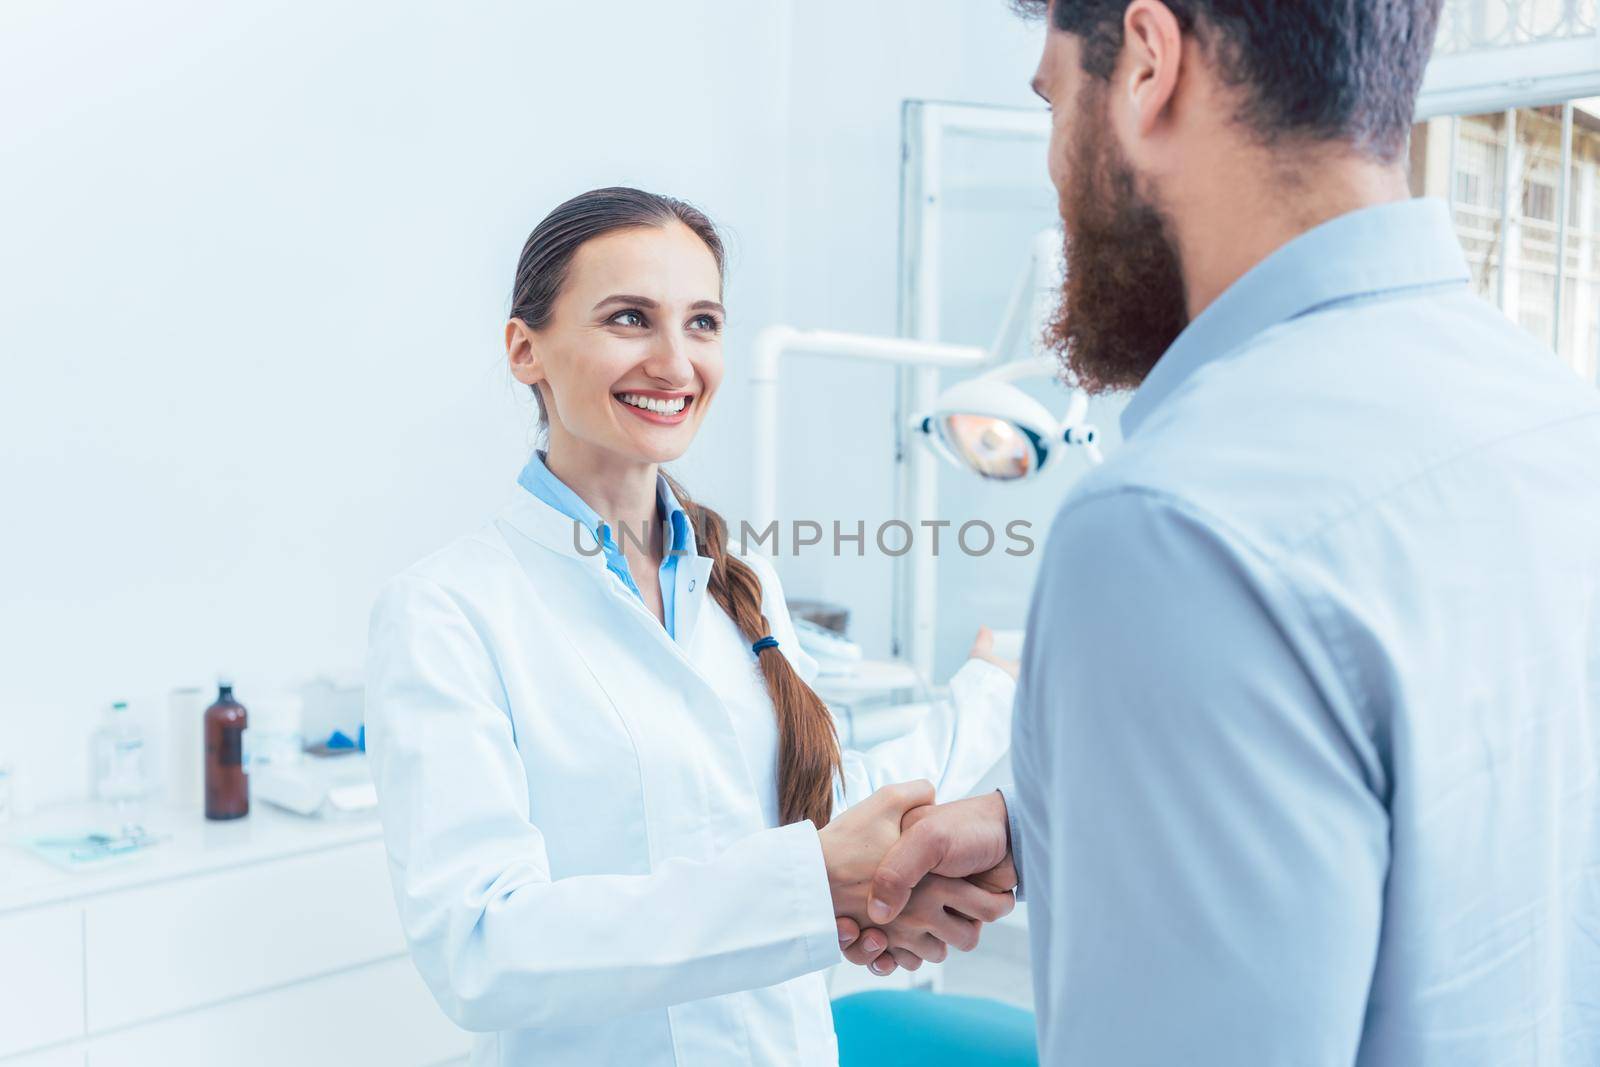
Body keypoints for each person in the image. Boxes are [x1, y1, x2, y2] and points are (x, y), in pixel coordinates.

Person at [855, 2, 1600, 1063]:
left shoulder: (1173, 526)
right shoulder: (1559, 419)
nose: (1058, 174)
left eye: (1054, 102)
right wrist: (1053, 819)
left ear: (1148, 65)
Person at [364, 186, 1020, 1066]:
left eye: (703, 322)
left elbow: (816, 810)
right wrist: (816, 884)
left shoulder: (740, 578)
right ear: (526, 349)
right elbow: (483, 948)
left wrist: (989, 696)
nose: (676, 363)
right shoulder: (448, 610)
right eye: (630, 318)